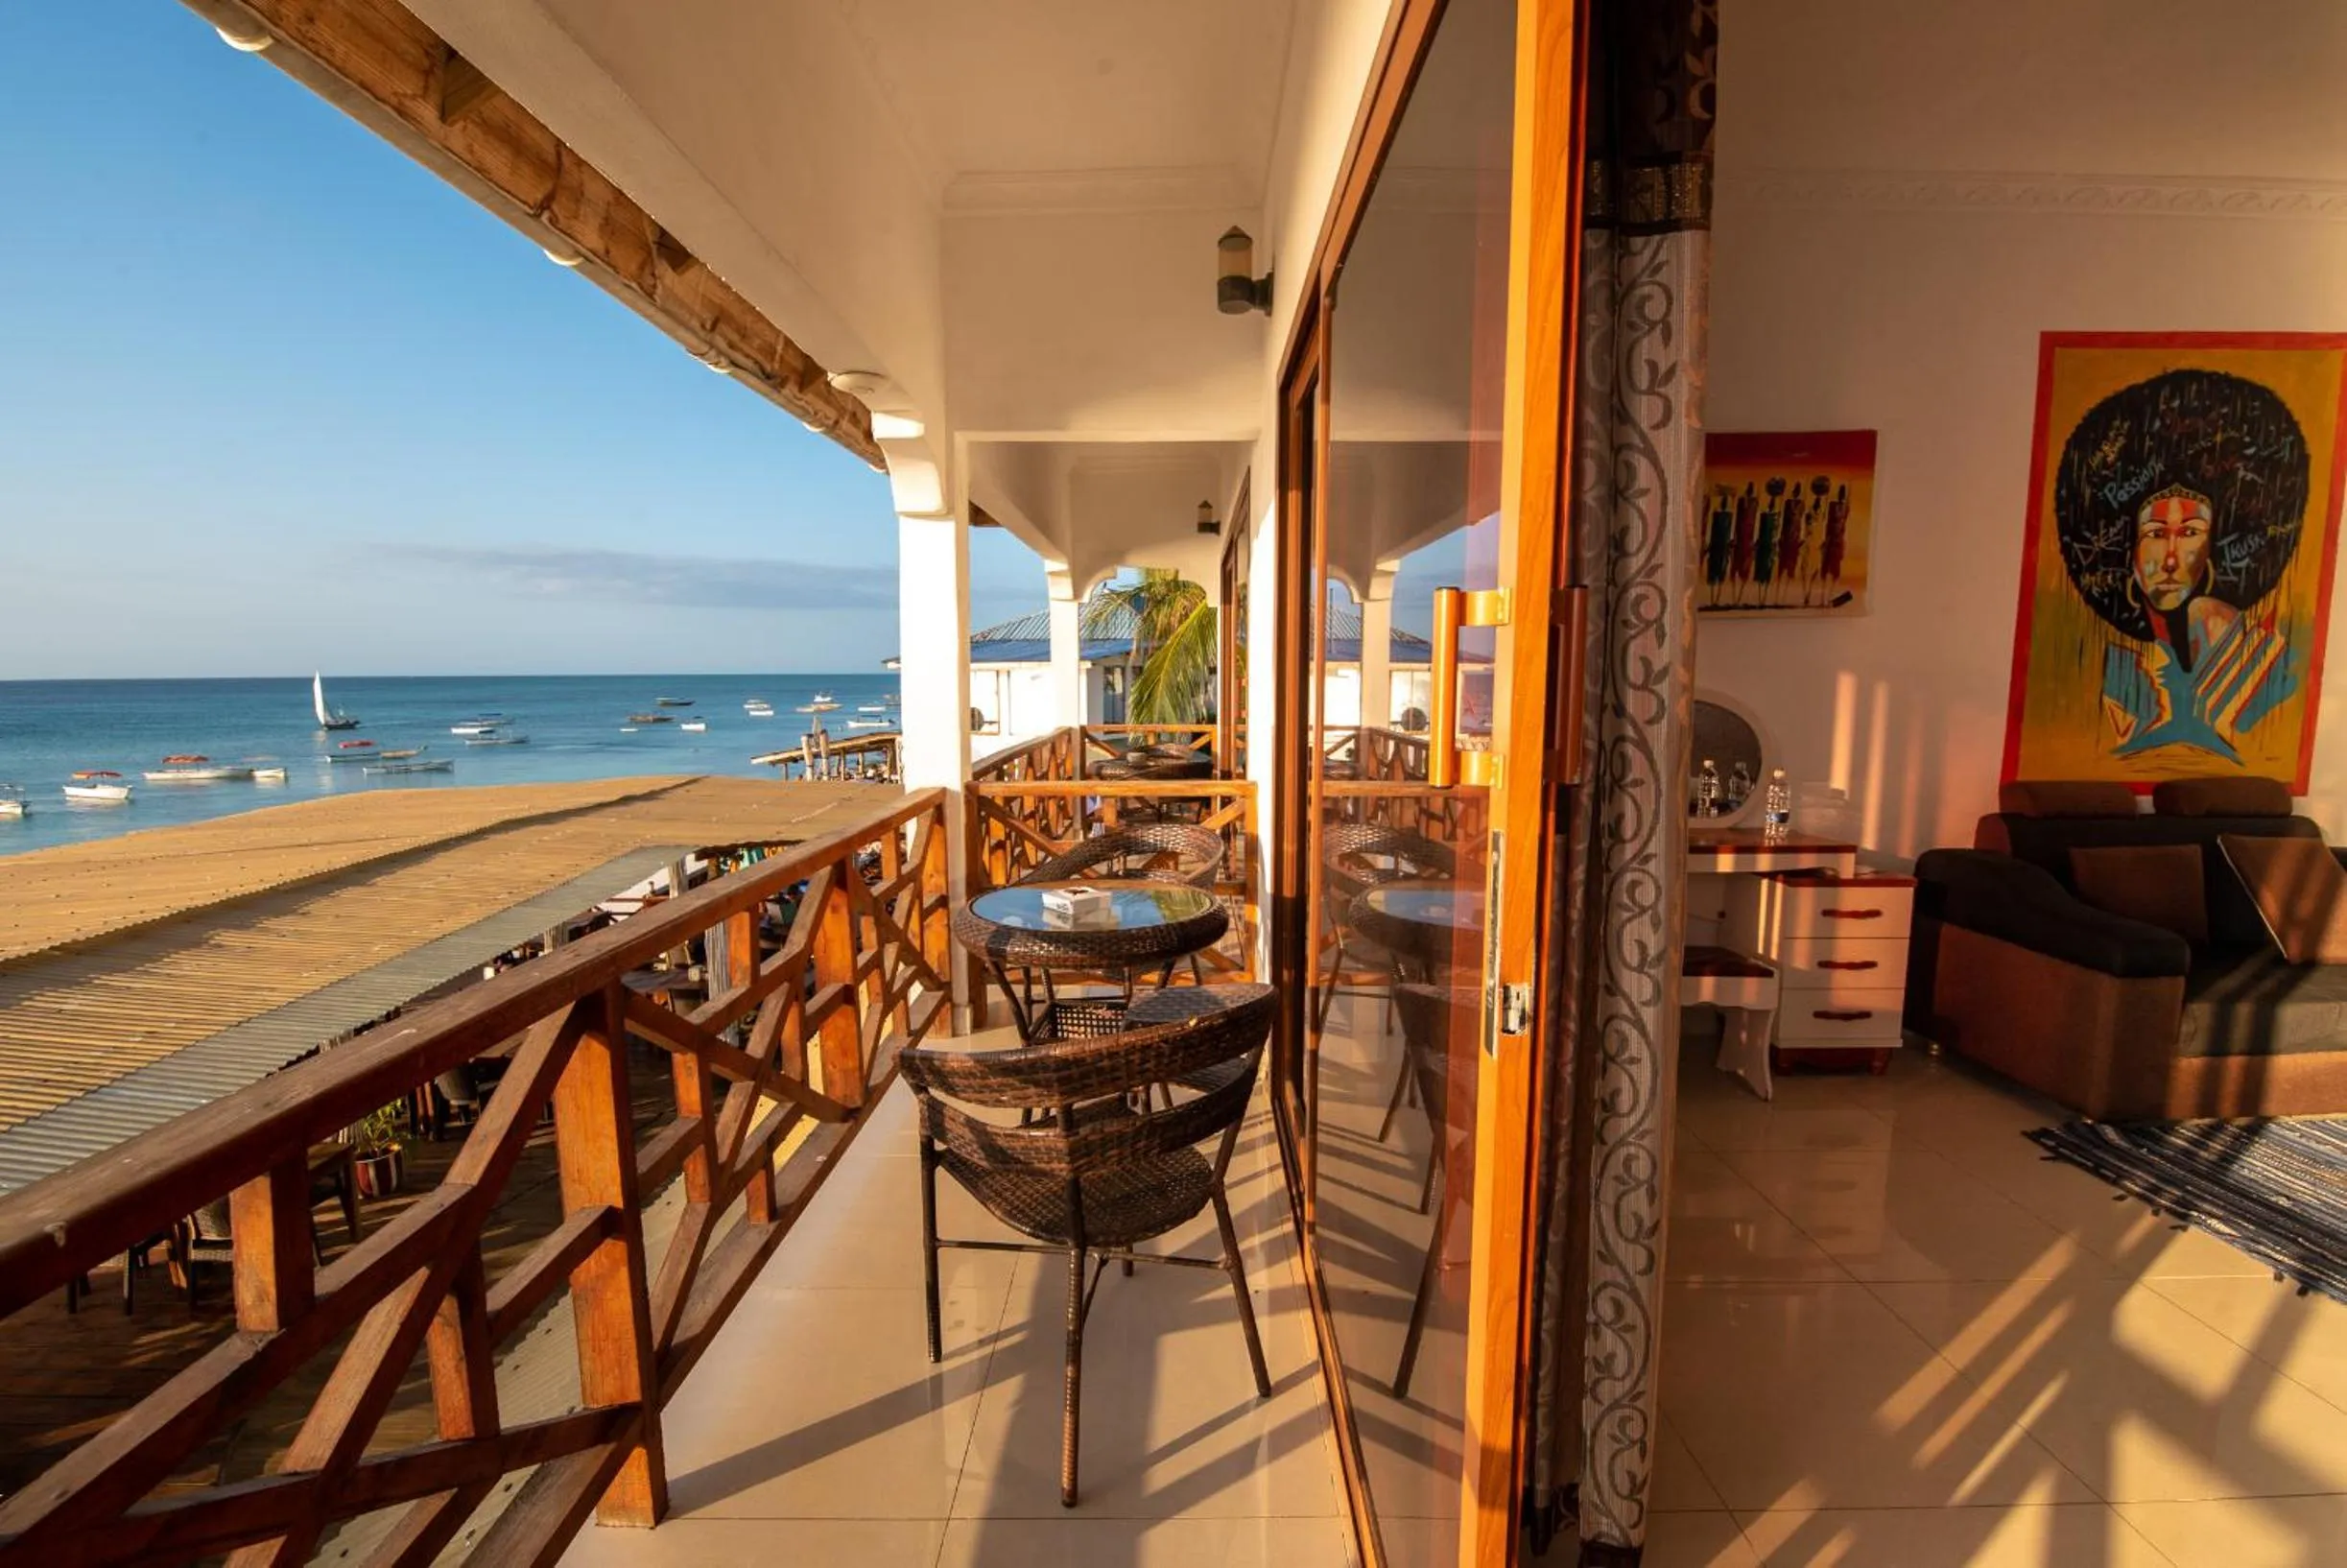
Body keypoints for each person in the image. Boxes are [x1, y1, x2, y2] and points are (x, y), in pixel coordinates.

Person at [2101, 484, 2293, 761]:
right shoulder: (2114, 660)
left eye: (2190, 533)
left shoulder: (2248, 647)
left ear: (2210, 551)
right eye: (2155, 533)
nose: (2170, 560)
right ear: (2131, 553)